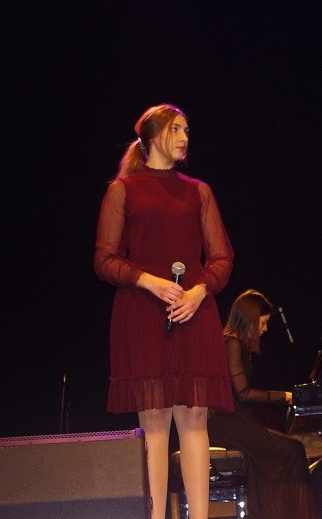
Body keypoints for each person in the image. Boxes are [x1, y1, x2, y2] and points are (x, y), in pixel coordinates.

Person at [94, 103, 234, 519]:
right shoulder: (123, 190)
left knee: (194, 422)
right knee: (154, 426)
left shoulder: (198, 190)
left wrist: (199, 292)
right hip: (143, 314)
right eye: (176, 129)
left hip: (193, 313)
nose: (184, 138)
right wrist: (147, 280)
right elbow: (104, 260)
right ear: (153, 135)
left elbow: (222, 258)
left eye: (187, 130)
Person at [208, 289, 318, 519]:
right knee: (292, 449)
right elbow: (243, 394)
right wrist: (285, 396)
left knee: (282, 450)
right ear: (250, 319)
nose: (265, 329)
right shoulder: (231, 342)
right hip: (228, 424)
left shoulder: (235, 343)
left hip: (236, 421)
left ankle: (272, 512)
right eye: (263, 323)